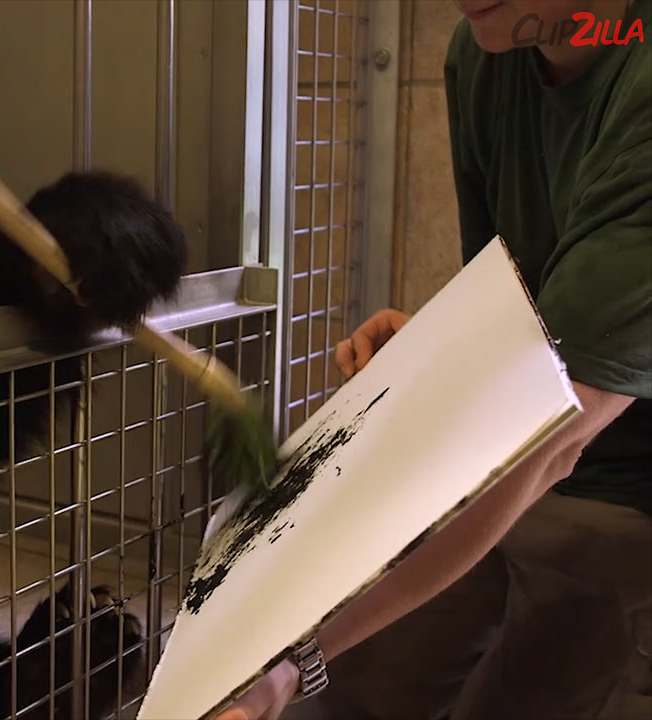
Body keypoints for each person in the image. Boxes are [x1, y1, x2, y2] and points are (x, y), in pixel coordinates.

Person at [212, 0, 650, 718]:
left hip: (626, 491)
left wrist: (293, 656)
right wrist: (445, 350)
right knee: (363, 686)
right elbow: (523, 307)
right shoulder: (489, 48)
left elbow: (547, 440)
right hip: (545, 433)